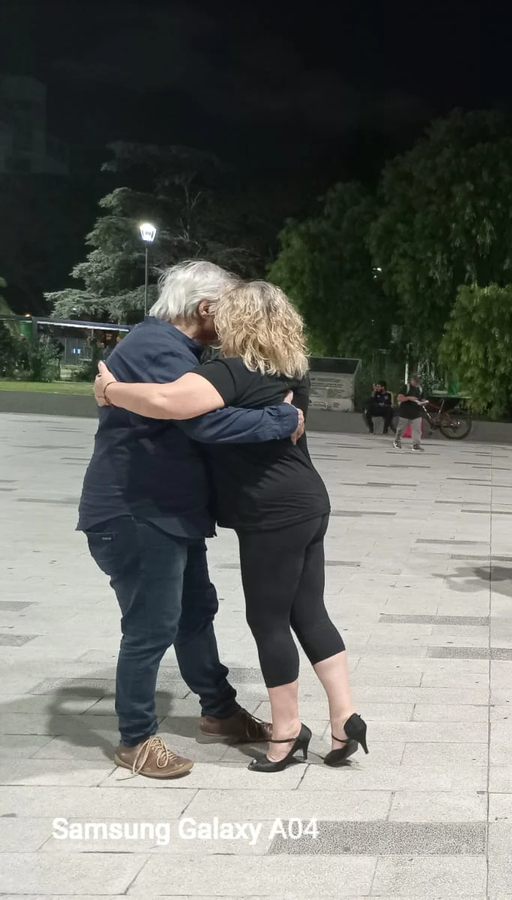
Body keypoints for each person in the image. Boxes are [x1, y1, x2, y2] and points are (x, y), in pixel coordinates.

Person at [94, 281, 367, 772]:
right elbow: (203, 418)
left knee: (267, 621)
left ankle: (284, 733)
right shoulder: (288, 369)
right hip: (309, 501)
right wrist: (280, 418)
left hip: (270, 513)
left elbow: (177, 410)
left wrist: (110, 390)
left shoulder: (230, 371)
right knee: (309, 612)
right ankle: (344, 717)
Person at [77, 260, 301, 779]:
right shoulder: (156, 347)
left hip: (167, 511)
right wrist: (281, 417)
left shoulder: (176, 349)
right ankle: (135, 739)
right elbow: (201, 419)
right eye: (230, 311)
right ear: (206, 309)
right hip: (136, 510)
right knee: (151, 625)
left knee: (194, 611)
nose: (237, 322)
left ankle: (219, 711)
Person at [393, 373, 428, 451]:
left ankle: (416, 445)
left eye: (418, 382)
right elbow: (399, 398)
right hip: (405, 412)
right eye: (415, 381)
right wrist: (408, 398)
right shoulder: (406, 387)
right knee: (401, 429)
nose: (417, 383)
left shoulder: (420, 389)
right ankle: (397, 441)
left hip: (416, 413)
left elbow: (422, 398)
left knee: (417, 430)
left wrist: (424, 402)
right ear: (411, 380)